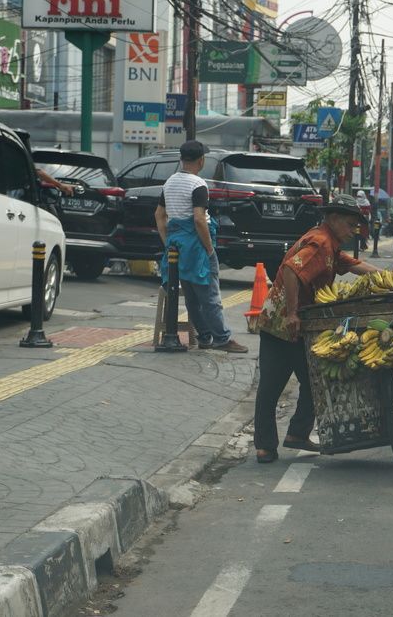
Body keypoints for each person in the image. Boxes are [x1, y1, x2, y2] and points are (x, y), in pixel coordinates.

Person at [254, 194, 380, 464]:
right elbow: (290, 270)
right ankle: (265, 446)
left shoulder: (330, 245)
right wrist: (291, 312)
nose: (352, 231)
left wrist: (388, 277)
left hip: (301, 323)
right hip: (282, 323)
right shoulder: (321, 242)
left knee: (314, 380)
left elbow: (353, 265)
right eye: (349, 224)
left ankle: (297, 434)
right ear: (333, 219)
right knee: (271, 386)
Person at [154, 140, 248, 353]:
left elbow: (159, 215)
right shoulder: (198, 185)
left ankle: (204, 337)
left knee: (192, 298)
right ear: (201, 160)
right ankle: (222, 338)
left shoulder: (169, 182)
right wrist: (209, 248)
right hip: (196, 248)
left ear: (181, 159)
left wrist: (167, 241)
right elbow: (199, 219)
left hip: (176, 248)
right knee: (210, 296)